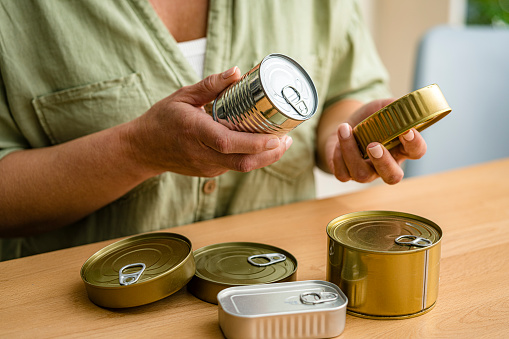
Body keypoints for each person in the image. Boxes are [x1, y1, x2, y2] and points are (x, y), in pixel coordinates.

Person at [0, 0, 427, 260]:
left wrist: (349, 134)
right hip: (85, 304)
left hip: (277, 279)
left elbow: (343, 93)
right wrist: (136, 151)